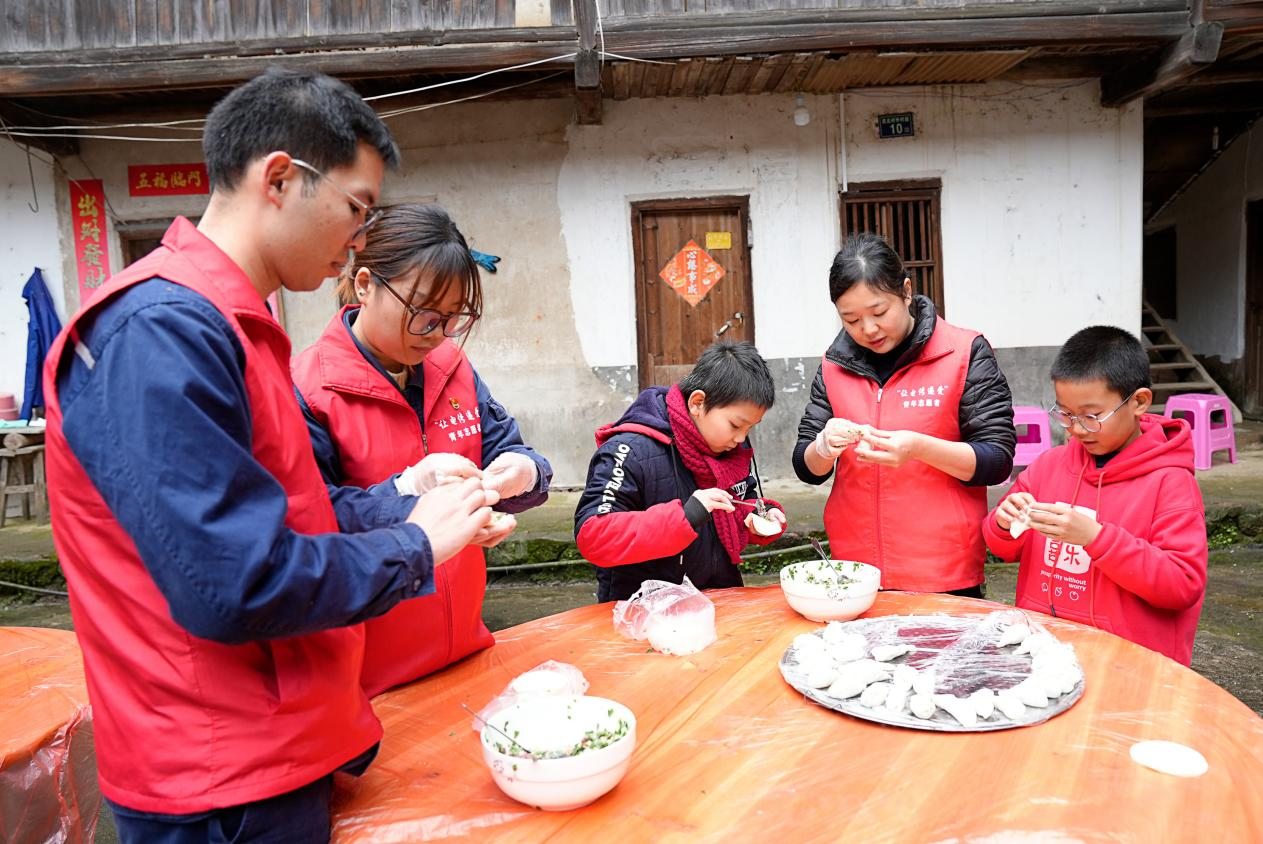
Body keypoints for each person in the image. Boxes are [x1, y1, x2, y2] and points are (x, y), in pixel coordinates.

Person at [42, 69, 496, 842]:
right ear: (280, 178)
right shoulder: (158, 332)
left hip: (275, 746)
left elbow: (290, 513)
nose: (360, 238)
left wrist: (402, 494)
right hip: (217, 777)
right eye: (356, 208)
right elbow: (234, 583)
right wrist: (415, 544)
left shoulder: (230, 324)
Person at [292, 202, 552, 696]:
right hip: (367, 676)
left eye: (454, 319)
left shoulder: (452, 366)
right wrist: (406, 491)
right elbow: (309, 520)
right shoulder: (310, 389)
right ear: (365, 285)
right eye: (424, 316)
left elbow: (511, 452)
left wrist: (522, 473)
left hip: (465, 647)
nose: (438, 336)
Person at [793, 233, 1016, 596]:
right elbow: (807, 468)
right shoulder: (834, 365)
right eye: (851, 319)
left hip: (943, 572)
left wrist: (918, 448)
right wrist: (823, 447)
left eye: (880, 312)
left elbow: (997, 460)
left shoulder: (963, 352)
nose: (868, 329)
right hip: (856, 573)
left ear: (906, 292)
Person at [984, 326, 1207, 664]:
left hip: (1129, 663)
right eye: (1065, 414)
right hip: (1045, 652)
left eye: (1091, 416)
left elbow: (1182, 585)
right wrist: (1003, 522)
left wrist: (1097, 539)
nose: (1075, 428)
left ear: (1139, 402)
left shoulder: (1170, 482)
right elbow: (1003, 548)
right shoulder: (1050, 465)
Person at [575, 341, 788, 602]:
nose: (741, 438)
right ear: (697, 402)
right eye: (735, 425)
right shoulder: (629, 450)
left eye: (750, 428)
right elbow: (593, 535)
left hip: (717, 602)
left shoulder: (730, 448)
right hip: (642, 610)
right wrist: (686, 516)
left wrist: (759, 516)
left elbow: (740, 499)